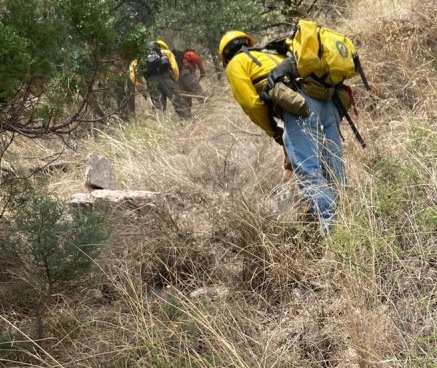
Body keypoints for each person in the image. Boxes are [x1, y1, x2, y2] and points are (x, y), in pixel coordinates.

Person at [220, 31, 346, 235]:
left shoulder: (236, 62)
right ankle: (348, 218)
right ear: (247, 42)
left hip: (298, 105)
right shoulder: (271, 53)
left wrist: (274, 131)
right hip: (327, 101)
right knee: (333, 167)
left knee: (309, 172)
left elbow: (251, 104)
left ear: (224, 56)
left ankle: (333, 231)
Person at [143, 40, 190, 118]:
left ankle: (160, 124)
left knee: (158, 105)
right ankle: (187, 120)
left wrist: (139, 86)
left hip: (151, 81)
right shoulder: (166, 52)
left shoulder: (143, 56)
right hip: (165, 77)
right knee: (177, 100)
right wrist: (174, 79)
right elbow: (174, 67)